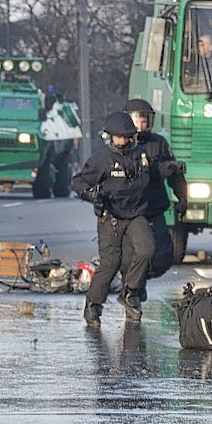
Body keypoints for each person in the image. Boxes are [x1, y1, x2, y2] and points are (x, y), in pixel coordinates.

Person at [72, 112, 155, 328]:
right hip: (111, 217)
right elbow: (79, 182)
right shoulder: (101, 159)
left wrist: (171, 169)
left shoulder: (140, 156)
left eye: (128, 136)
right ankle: (93, 306)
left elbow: (154, 174)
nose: (124, 141)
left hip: (136, 214)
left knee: (145, 250)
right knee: (111, 263)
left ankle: (130, 293)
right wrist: (90, 195)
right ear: (111, 137)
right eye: (120, 137)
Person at [121, 99, 188, 297]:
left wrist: (182, 197)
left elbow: (175, 173)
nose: (141, 126)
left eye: (145, 121)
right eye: (137, 121)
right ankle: (132, 292)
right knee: (131, 256)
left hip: (155, 208)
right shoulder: (122, 145)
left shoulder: (159, 143)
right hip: (130, 212)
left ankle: (138, 280)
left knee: (165, 256)